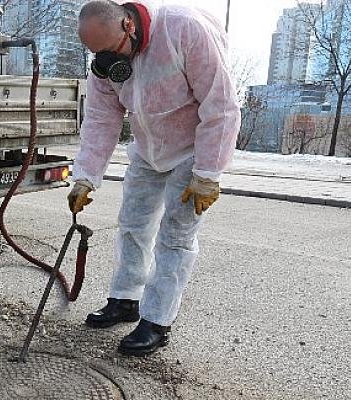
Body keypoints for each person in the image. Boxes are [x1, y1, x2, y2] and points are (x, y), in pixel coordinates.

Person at [69, 0, 240, 357]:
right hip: (148, 149)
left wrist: (208, 173)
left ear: (128, 25)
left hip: (193, 149)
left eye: (109, 51)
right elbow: (101, 119)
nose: (105, 63)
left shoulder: (183, 28)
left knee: (175, 238)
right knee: (132, 224)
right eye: (96, 54)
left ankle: (157, 320)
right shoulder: (105, 62)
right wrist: (85, 176)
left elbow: (221, 105)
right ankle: (126, 298)